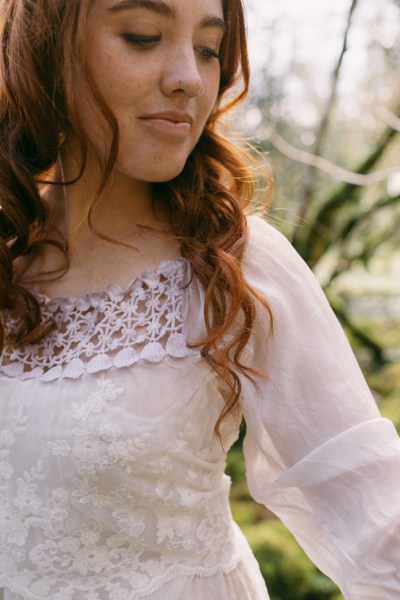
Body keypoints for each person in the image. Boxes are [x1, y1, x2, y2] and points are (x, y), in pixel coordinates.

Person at [0, 0, 399, 598]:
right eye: (142, 36)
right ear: (45, 46)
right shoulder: (10, 252)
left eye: (210, 49)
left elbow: (380, 527)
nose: (188, 76)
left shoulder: (235, 264)